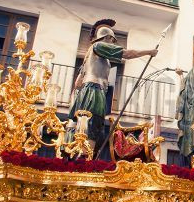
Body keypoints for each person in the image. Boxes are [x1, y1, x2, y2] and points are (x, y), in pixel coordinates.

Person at [67, 19, 158, 155]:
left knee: (87, 126)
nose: (112, 45)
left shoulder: (88, 55)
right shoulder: (99, 46)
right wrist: (149, 52)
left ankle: (82, 154)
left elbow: (77, 83)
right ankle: (85, 157)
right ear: (108, 38)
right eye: (112, 41)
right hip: (94, 91)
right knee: (93, 125)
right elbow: (127, 54)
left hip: (87, 92)